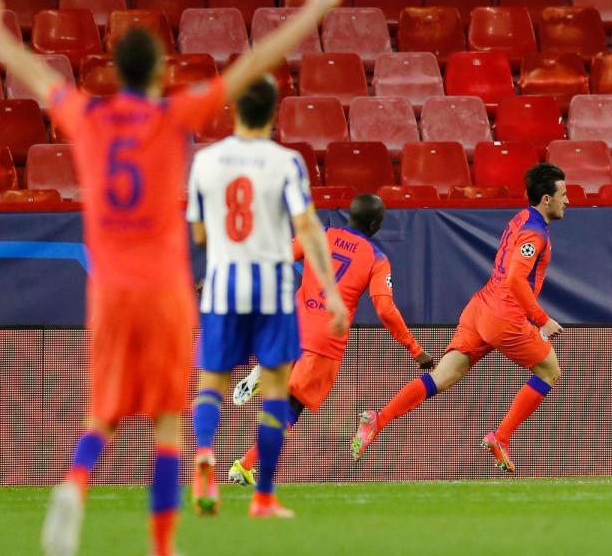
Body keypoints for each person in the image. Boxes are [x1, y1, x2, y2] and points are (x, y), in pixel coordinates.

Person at [0, 0, 343, 554]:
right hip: (166, 289)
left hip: (110, 290)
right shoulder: (173, 115)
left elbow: (39, 79)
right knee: (169, 417)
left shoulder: (88, 114)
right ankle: (163, 545)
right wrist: (314, 10)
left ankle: (74, 482)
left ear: (114, 71)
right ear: (160, 71)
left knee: (105, 411)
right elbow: (254, 63)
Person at [185, 77, 347, 519]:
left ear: (235, 112)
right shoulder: (287, 162)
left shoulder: (207, 161)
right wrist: (332, 294)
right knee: (277, 391)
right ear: (274, 116)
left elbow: (199, 233)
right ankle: (264, 495)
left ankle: (203, 455)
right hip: (271, 288)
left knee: (211, 385)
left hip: (223, 284)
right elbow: (309, 228)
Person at [351, 164, 569, 473]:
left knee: (443, 376)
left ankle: (378, 418)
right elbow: (516, 281)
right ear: (546, 199)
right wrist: (541, 319)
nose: (568, 200)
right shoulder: (535, 233)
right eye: (564, 194)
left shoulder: (521, 218)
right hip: (505, 315)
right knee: (550, 371)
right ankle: (501, 436)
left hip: (480, 307)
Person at [225, 193, 434, 486]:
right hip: (325, 339)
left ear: (350, 215)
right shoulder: (376, 258)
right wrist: (415, 349)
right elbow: (385, 309)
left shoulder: (319, 234)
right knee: (291, 408)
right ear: (375, 224)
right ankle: (245, 465)